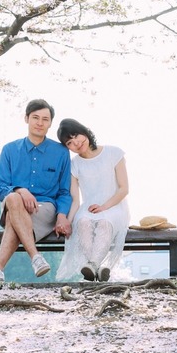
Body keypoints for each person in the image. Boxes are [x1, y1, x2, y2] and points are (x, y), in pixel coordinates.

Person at [0, 99, 72, 282]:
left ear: (50, 123)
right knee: (13, 199)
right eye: (35, 117)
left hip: (44, 209)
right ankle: (35, 257)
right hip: (14, 204)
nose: (40, 123)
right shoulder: (10, 150)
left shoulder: (60, 152)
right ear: (26, 118)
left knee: (13, 215)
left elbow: (64, 191)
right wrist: (21, 190)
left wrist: (62, 215)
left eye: (45, 119)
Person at [55, 118, 130, 282]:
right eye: (69, 142)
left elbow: (124, 189)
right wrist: (67, 221)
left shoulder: (113, 153)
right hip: (88, 209)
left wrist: (104, 207)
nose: (76, 142)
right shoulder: (74, 165)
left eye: (76, 135)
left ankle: (93, 265)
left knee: (104, 223)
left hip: (115, 206)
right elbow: (75, 200)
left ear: (85, 131)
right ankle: (96, 267)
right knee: (82, 222)